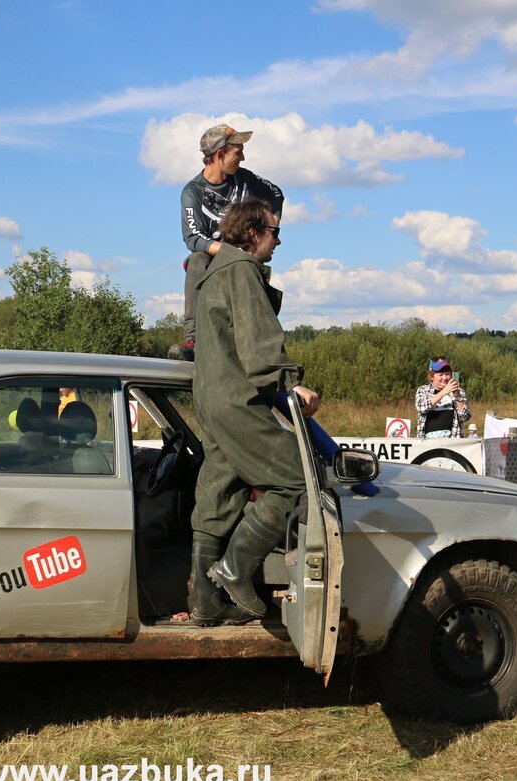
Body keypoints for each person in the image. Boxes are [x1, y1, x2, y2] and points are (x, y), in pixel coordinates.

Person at [188, 197, 319, 626]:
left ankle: (206, 605)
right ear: (252, 233)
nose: (279, 242)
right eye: (275, 232)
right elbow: (256, 337)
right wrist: (289, 382)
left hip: (210, 397)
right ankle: (234, 568)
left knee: (218, 492)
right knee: (299, 479)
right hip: (238, 399)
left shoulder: (209, 272)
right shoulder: (241, 269)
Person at [169, 123, 284, 362]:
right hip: (213, 258)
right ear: (220, 154)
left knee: (252, 268)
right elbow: (193, 237)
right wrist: (228, 252)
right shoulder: (193, 192)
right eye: (238, 152)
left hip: (246, 256)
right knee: (197, 260)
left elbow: (276, 194)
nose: (243, 157)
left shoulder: (246, 179)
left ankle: (263, 344)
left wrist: (270, 230)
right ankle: (193, 341)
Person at [414, 358, 471, 438]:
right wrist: (444, 391)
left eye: (447, 374)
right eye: (440, 375)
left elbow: (465, 417)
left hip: (451, 441)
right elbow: (421, 408)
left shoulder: (459, 391)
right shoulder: (423, 390)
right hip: (427, 441)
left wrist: (458, 397)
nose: (444, 378)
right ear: (432, 377)